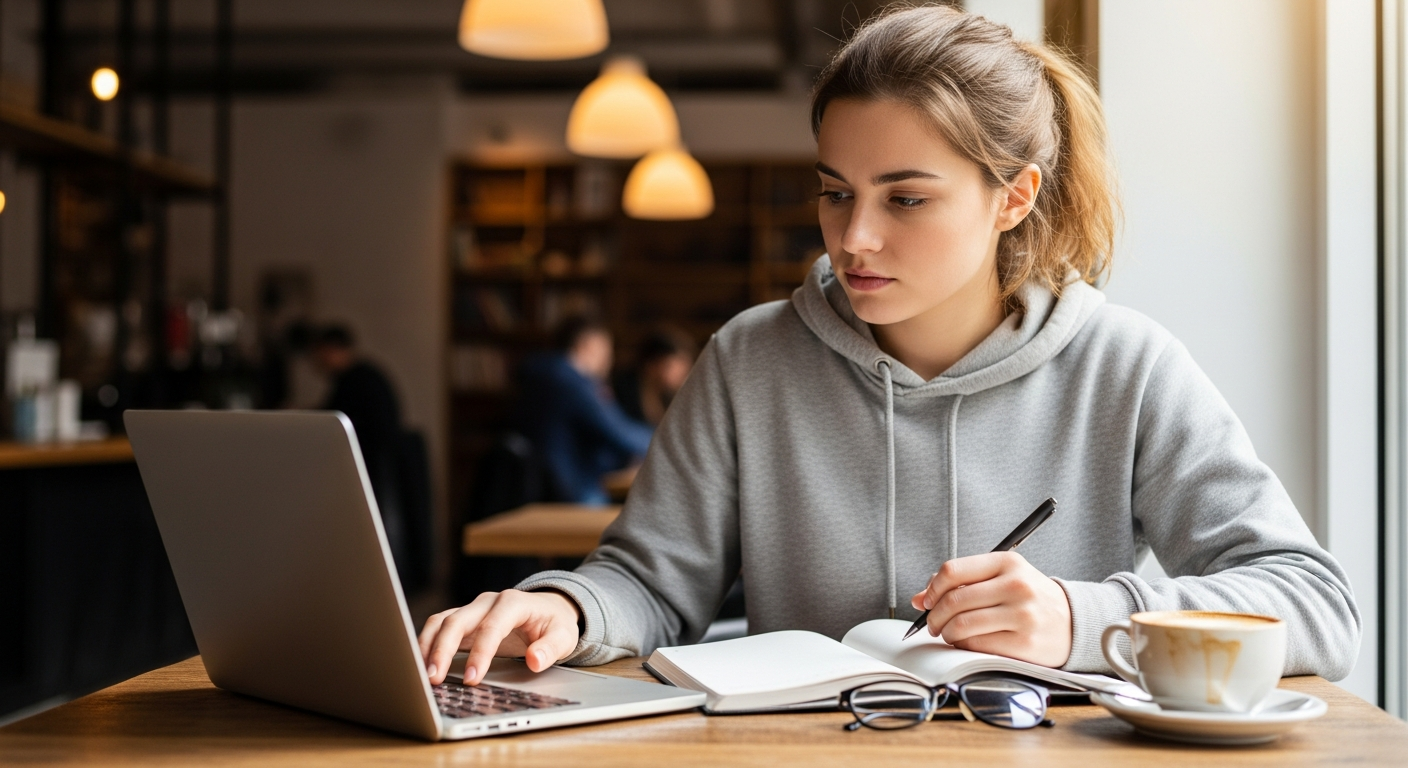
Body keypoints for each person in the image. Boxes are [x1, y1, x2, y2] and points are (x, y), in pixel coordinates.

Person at [419, 6, 1360, 687]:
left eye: (905, 198)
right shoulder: (750, 360)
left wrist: (1084, 616)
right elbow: (649, 583)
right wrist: (574, 611)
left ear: (1014, 197)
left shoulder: (1130, 368)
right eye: (836, 191)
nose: (853, 236)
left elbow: (1317, 606)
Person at [516, 316, 652, 504]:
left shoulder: (543, 375)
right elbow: (618, 431)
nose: (609, 358)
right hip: (575, 488)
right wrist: (662, 438)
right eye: (607, 348)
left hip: (547, 484)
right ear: (590, 344)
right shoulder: (572, 382)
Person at [312, 323, 403, 516]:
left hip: (370, 467)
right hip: (378, 463)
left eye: (321, 352)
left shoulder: (354, 381)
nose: (318, 360)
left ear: (332, 350)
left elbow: (334, 422)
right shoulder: (363, 375)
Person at [612, 327, 697, 426]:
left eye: (686, 366)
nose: (683, 373)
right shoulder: (625, 391)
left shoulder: (669, 395)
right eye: (671, 366)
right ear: (651, 365)